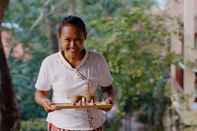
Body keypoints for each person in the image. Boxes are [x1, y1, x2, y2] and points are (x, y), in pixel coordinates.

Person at [34, 15, 115, 131]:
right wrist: (44, 101)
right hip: (60, 125)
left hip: (93, 125)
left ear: (85, 37)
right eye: (67, 40)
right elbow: (40, 93)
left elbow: (108, 88)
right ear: (60, 38)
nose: (72, 45)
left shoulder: (97, 60)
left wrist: (109, 99)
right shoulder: (50, 62)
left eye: (78, 39)